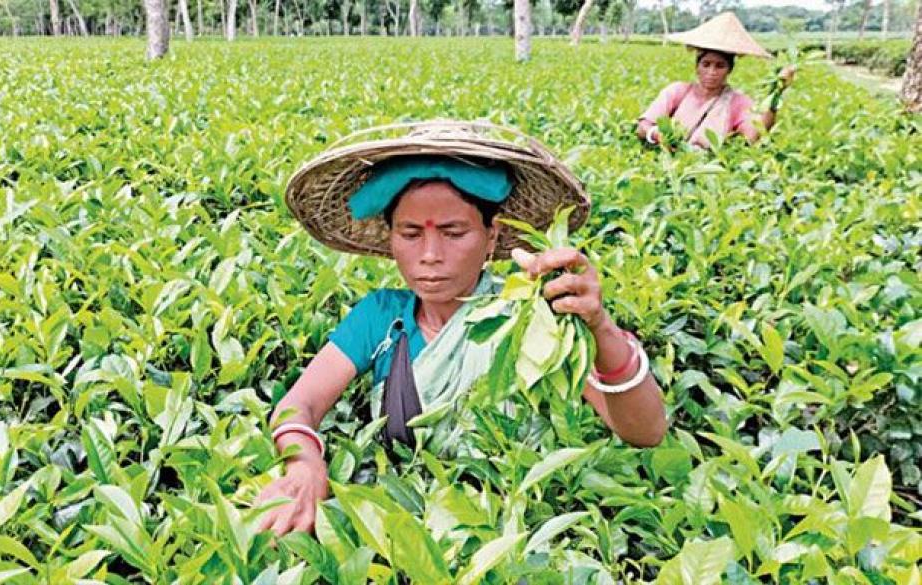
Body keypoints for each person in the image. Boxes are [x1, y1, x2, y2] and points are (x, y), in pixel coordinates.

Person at [256, 121, 668, 536]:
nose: (430, 255)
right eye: (411, 233)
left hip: (517, 534)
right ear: (392, 238)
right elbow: (297, 405)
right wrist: (305, 464)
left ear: (492, 236)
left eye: (454, 232)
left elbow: (645, 432)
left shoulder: (534, 316)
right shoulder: (381, 318)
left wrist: (599, 326)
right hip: (402, 528)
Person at [636, 12, 796, 149]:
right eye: (706, 64)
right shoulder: (678, 91)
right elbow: (643, 126)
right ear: (697, 66)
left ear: (729, 69)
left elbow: (755, 136)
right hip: (669, 167)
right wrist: (657, 135)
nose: (711, 72)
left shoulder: (738, 102)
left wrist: (777, 93)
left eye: (720, 66)